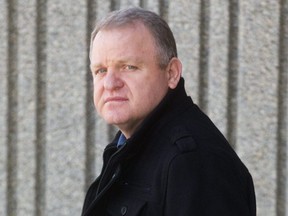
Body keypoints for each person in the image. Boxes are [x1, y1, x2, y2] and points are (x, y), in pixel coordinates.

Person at [81, 7, 256, 216]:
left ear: (172, 73)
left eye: (128, 67)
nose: (110, 83)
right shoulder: (129, 146)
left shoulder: (193, 161)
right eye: (100, 70)